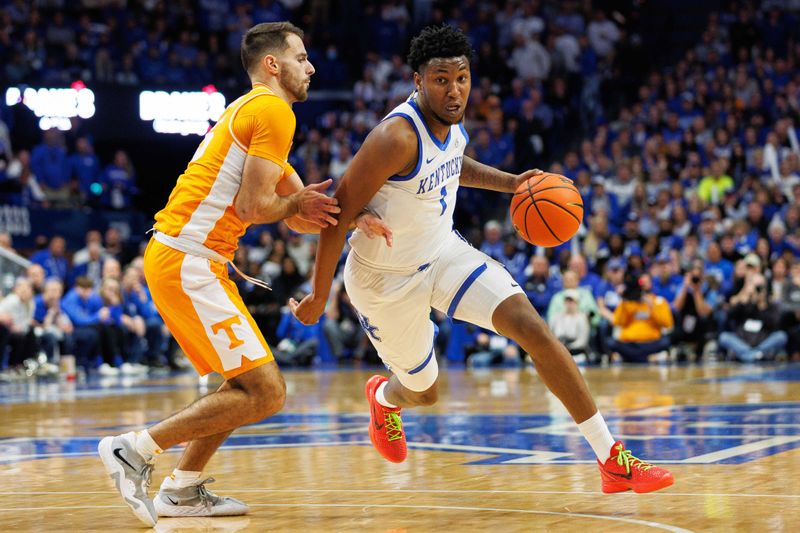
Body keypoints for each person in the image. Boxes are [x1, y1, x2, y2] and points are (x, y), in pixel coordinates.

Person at [291, 25, 673, 494]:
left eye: (462, 78)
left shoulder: (453, 125)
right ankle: (384, 398)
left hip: (442, 252)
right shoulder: (395, 137)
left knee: (533, 328)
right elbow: (336, 214)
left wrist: (513, 183)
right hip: (383, 280)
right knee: (424, 391)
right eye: (441, 80)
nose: (454, 91)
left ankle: (612, 460)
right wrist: (318, 295)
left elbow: (456, 164)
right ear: (417, 81)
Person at [97, 22, 386, 526]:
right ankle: (134, 449)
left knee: (234, 389)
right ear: (273, 65)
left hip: (185, 259)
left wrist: (351, 214)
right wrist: (296, 202)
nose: (311, 66)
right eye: (301, 57)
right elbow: (258, 206)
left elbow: (297, 214)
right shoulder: (272, 110)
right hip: (189, 259)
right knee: (267, 391)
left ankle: (182, 491)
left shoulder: (253, 111)